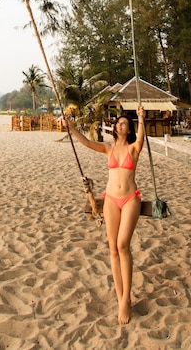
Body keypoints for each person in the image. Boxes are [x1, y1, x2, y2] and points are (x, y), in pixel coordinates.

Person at [62, 106, 145, 325]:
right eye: (118, 123)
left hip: (130, 199)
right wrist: (70, 127)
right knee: (112, 248)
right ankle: (120, 299)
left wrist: (141, 119)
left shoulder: (134, 148)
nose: (120, 124)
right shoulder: (108, 149)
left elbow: (142, 139)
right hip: (110, 200)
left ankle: (126, 299)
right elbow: (87, 143)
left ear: (129, 129)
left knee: (123, 245)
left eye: (125, 123)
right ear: (115, 128)